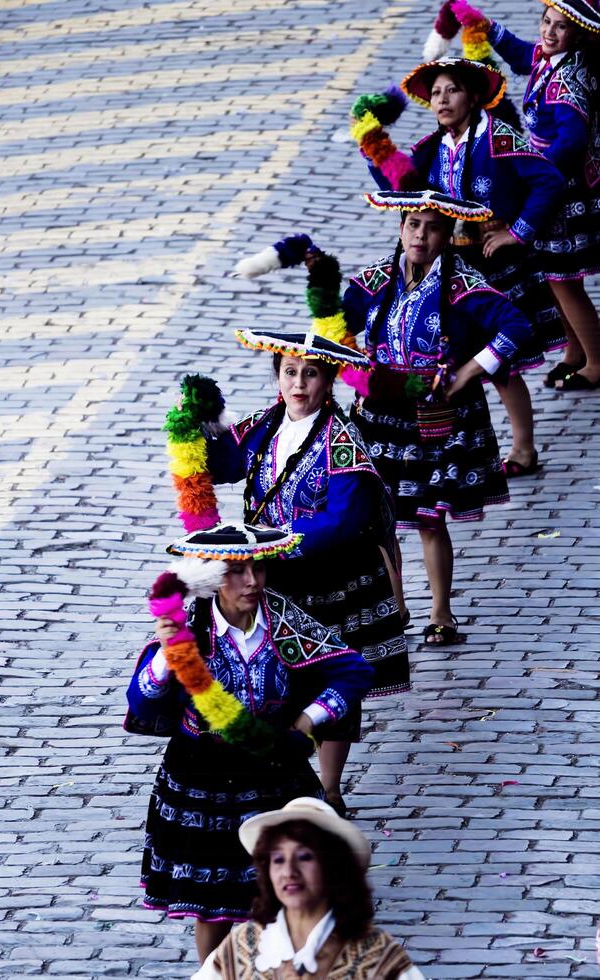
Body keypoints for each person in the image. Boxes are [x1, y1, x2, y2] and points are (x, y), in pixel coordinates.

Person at [124, 522, 374, 964]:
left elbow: (354, 670)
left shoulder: (282, 620)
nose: (252, 582)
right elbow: (143, 703)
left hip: (272, 770)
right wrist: (168, 655)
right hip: (202, 775)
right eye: (237, 572)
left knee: (286, 896)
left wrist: (305, 722)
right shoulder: (189, 630)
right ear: (210, 577)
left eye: (258, 569)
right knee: (212, 906)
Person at [203, 331, 410, 814]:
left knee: (331, 677)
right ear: (277, 377)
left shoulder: (345, 440)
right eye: (290, 372)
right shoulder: (260, 427)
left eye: (310, 374)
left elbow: (345, 519)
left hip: (332, 580)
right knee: (277, 677)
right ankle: (284, 775)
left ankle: (331, 787)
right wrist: (199, 426)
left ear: (329, 379)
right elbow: (223, 466)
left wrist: (278, 543)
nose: (299, 384)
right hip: (273, 580)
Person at [329, 189, 533, 643]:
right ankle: (396, 605)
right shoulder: (376, 279)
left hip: (435, 416)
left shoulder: (461, 284)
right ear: (400, 228)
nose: (420, 235)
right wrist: (357, 365)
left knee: (428, 518)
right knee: (377, 516)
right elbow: (335, 324)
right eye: (412, 225)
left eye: (433, 226)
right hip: (379, 416)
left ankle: (441, 611)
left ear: (448, 233)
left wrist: (466, 373)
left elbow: (516, 325)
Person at [358, 57, 566, 475]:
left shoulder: (497, 138)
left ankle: (523, 448)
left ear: (473, 96)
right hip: (449, 270)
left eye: (451, 90)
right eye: (435, 92)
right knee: (453, 360)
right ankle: (449, 451)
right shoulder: (430, 149)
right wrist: (374, 147)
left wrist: (518, 231)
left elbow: (549, 180)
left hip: (494, 268)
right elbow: (400, 190)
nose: (442, 99)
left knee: (501, 362)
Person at [451, 0, 600, 390]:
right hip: (550, 183)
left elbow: (572, 139)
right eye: (546, 22)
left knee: (564, 278)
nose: (549, 32)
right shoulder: (551, 59)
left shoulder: (570, 81)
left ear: (579, 33)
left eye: (561, 27)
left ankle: (597, 363)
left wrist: (536, 167)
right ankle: (574, 350)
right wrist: (480, 22)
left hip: (563, 191)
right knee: (554, 276)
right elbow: (520, 54)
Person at [193, 796, 425, 979]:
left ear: (332, 867)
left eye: (304, 857)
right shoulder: (244, 945)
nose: (289, 872)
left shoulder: (374, 952)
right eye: (278, 860)